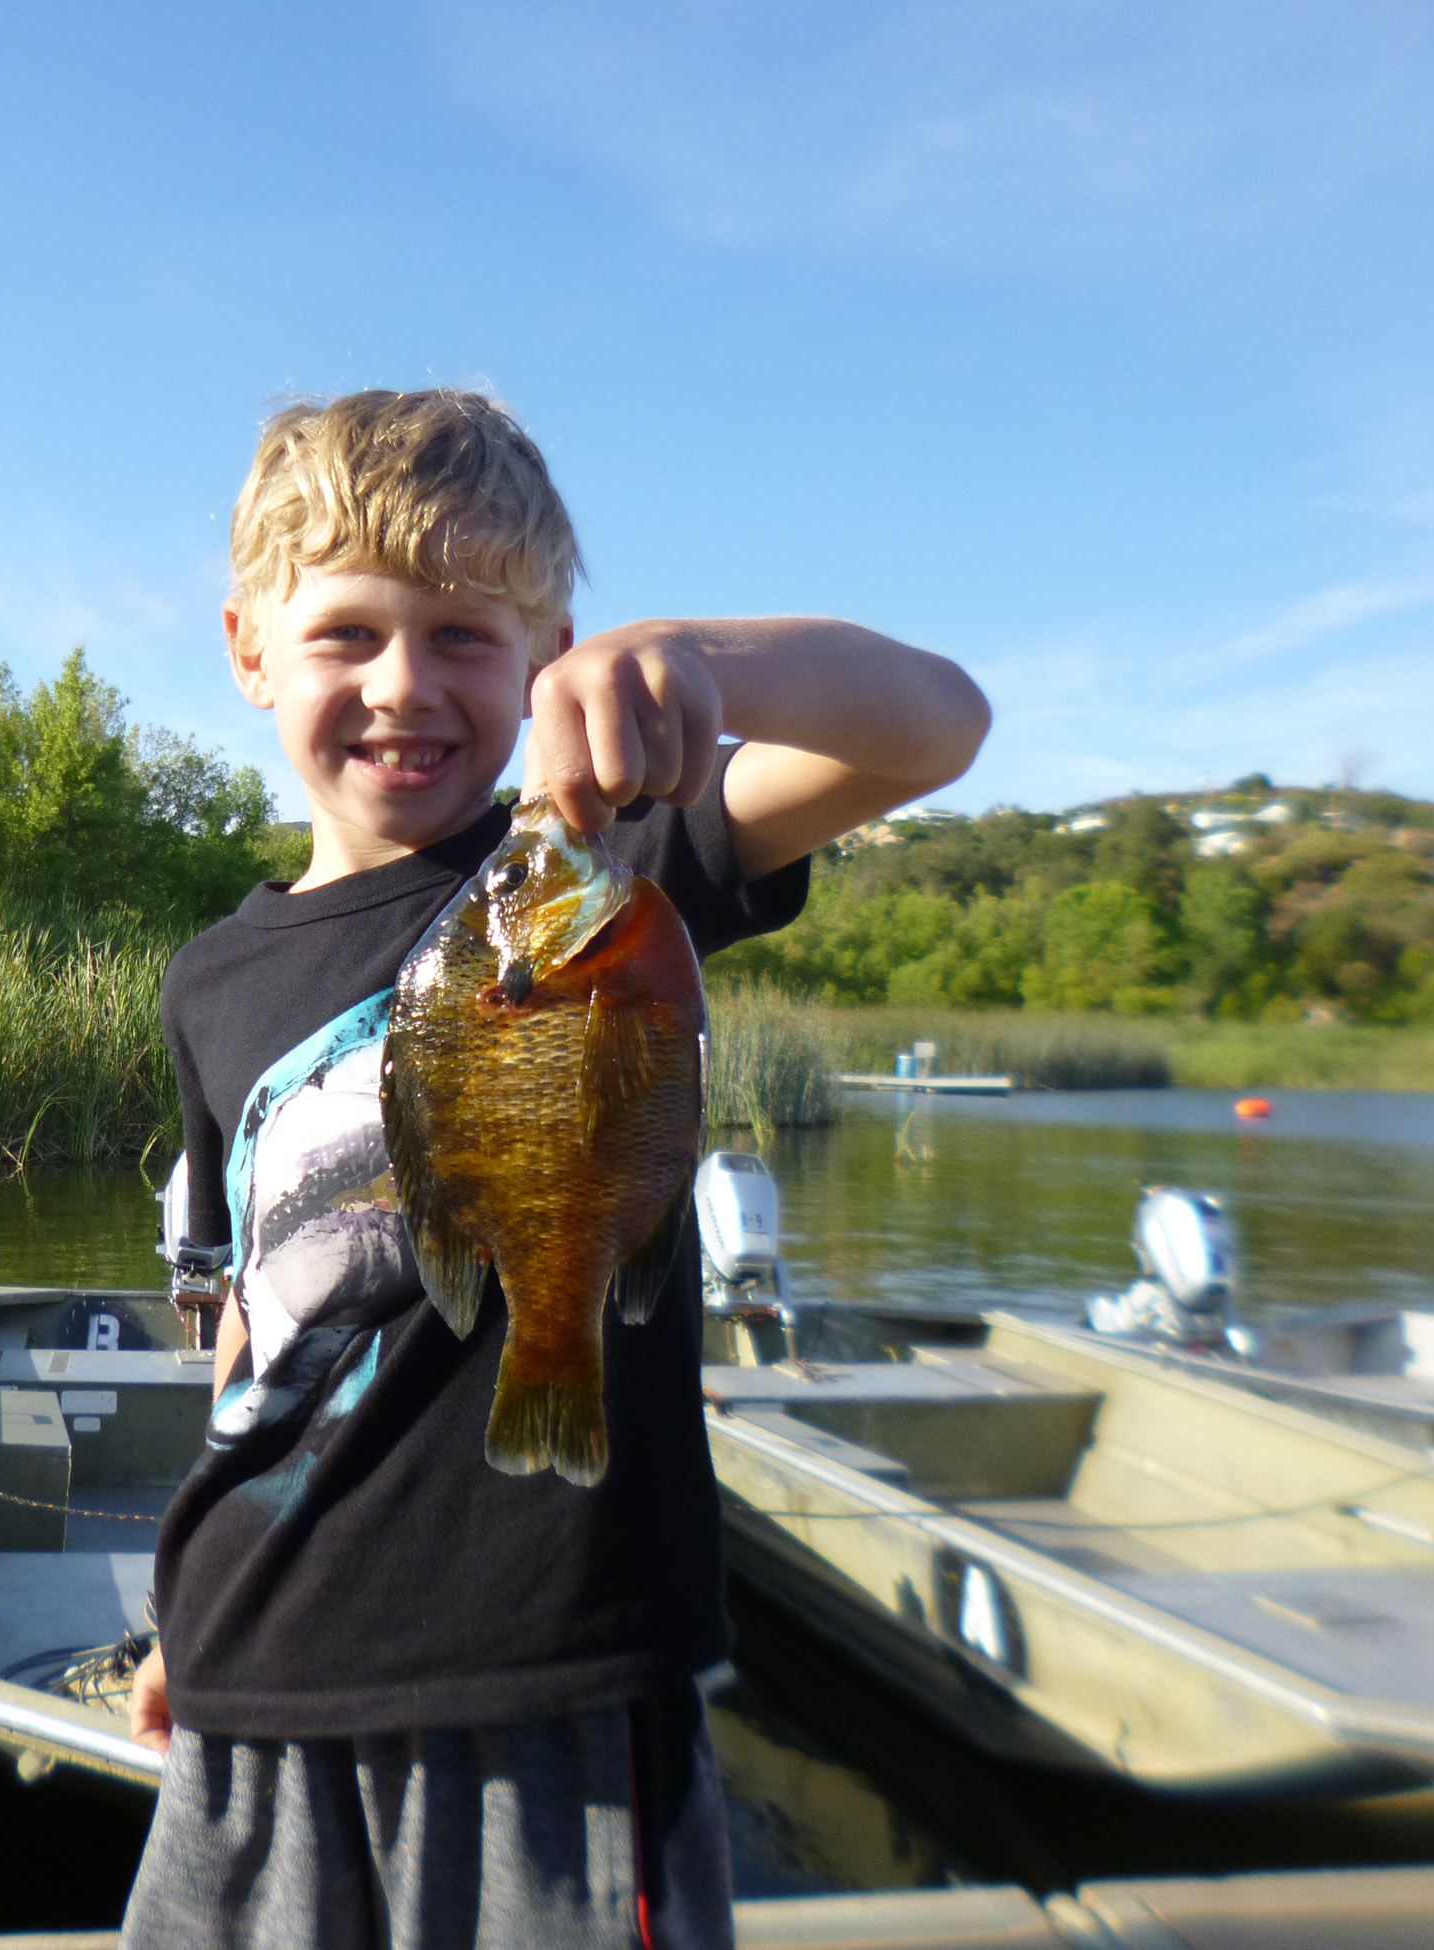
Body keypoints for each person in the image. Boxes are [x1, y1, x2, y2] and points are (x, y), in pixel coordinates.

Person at [122, 389, 988, 1949]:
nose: (406, 684)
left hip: (554, 1687)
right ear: (249, 651)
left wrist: (705, 669)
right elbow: (249, 1317)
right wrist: (188, 1593)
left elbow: (937, 723)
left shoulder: (609, 870)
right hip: (255, 1659)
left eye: (465, 635)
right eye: (348, 636)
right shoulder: (210, 981)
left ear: (544, 657)